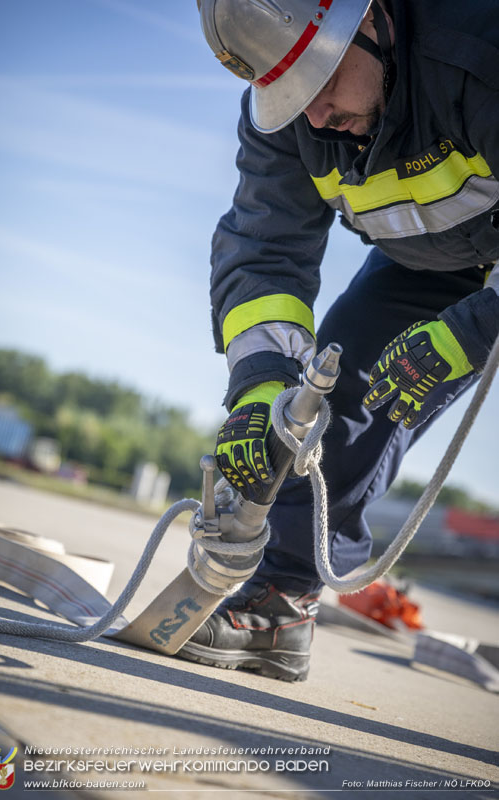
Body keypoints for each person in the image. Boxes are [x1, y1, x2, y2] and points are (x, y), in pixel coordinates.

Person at [177, 0, 499, 681]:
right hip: (427, 260)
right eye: (290, 95)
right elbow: (263, 255)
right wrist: (261, 390)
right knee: (344, 387)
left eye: (319, 83)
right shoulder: (290, 115)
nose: (315, 115)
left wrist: (472, 331)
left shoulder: (478, 45)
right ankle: (283, 603)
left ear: (372, 20)